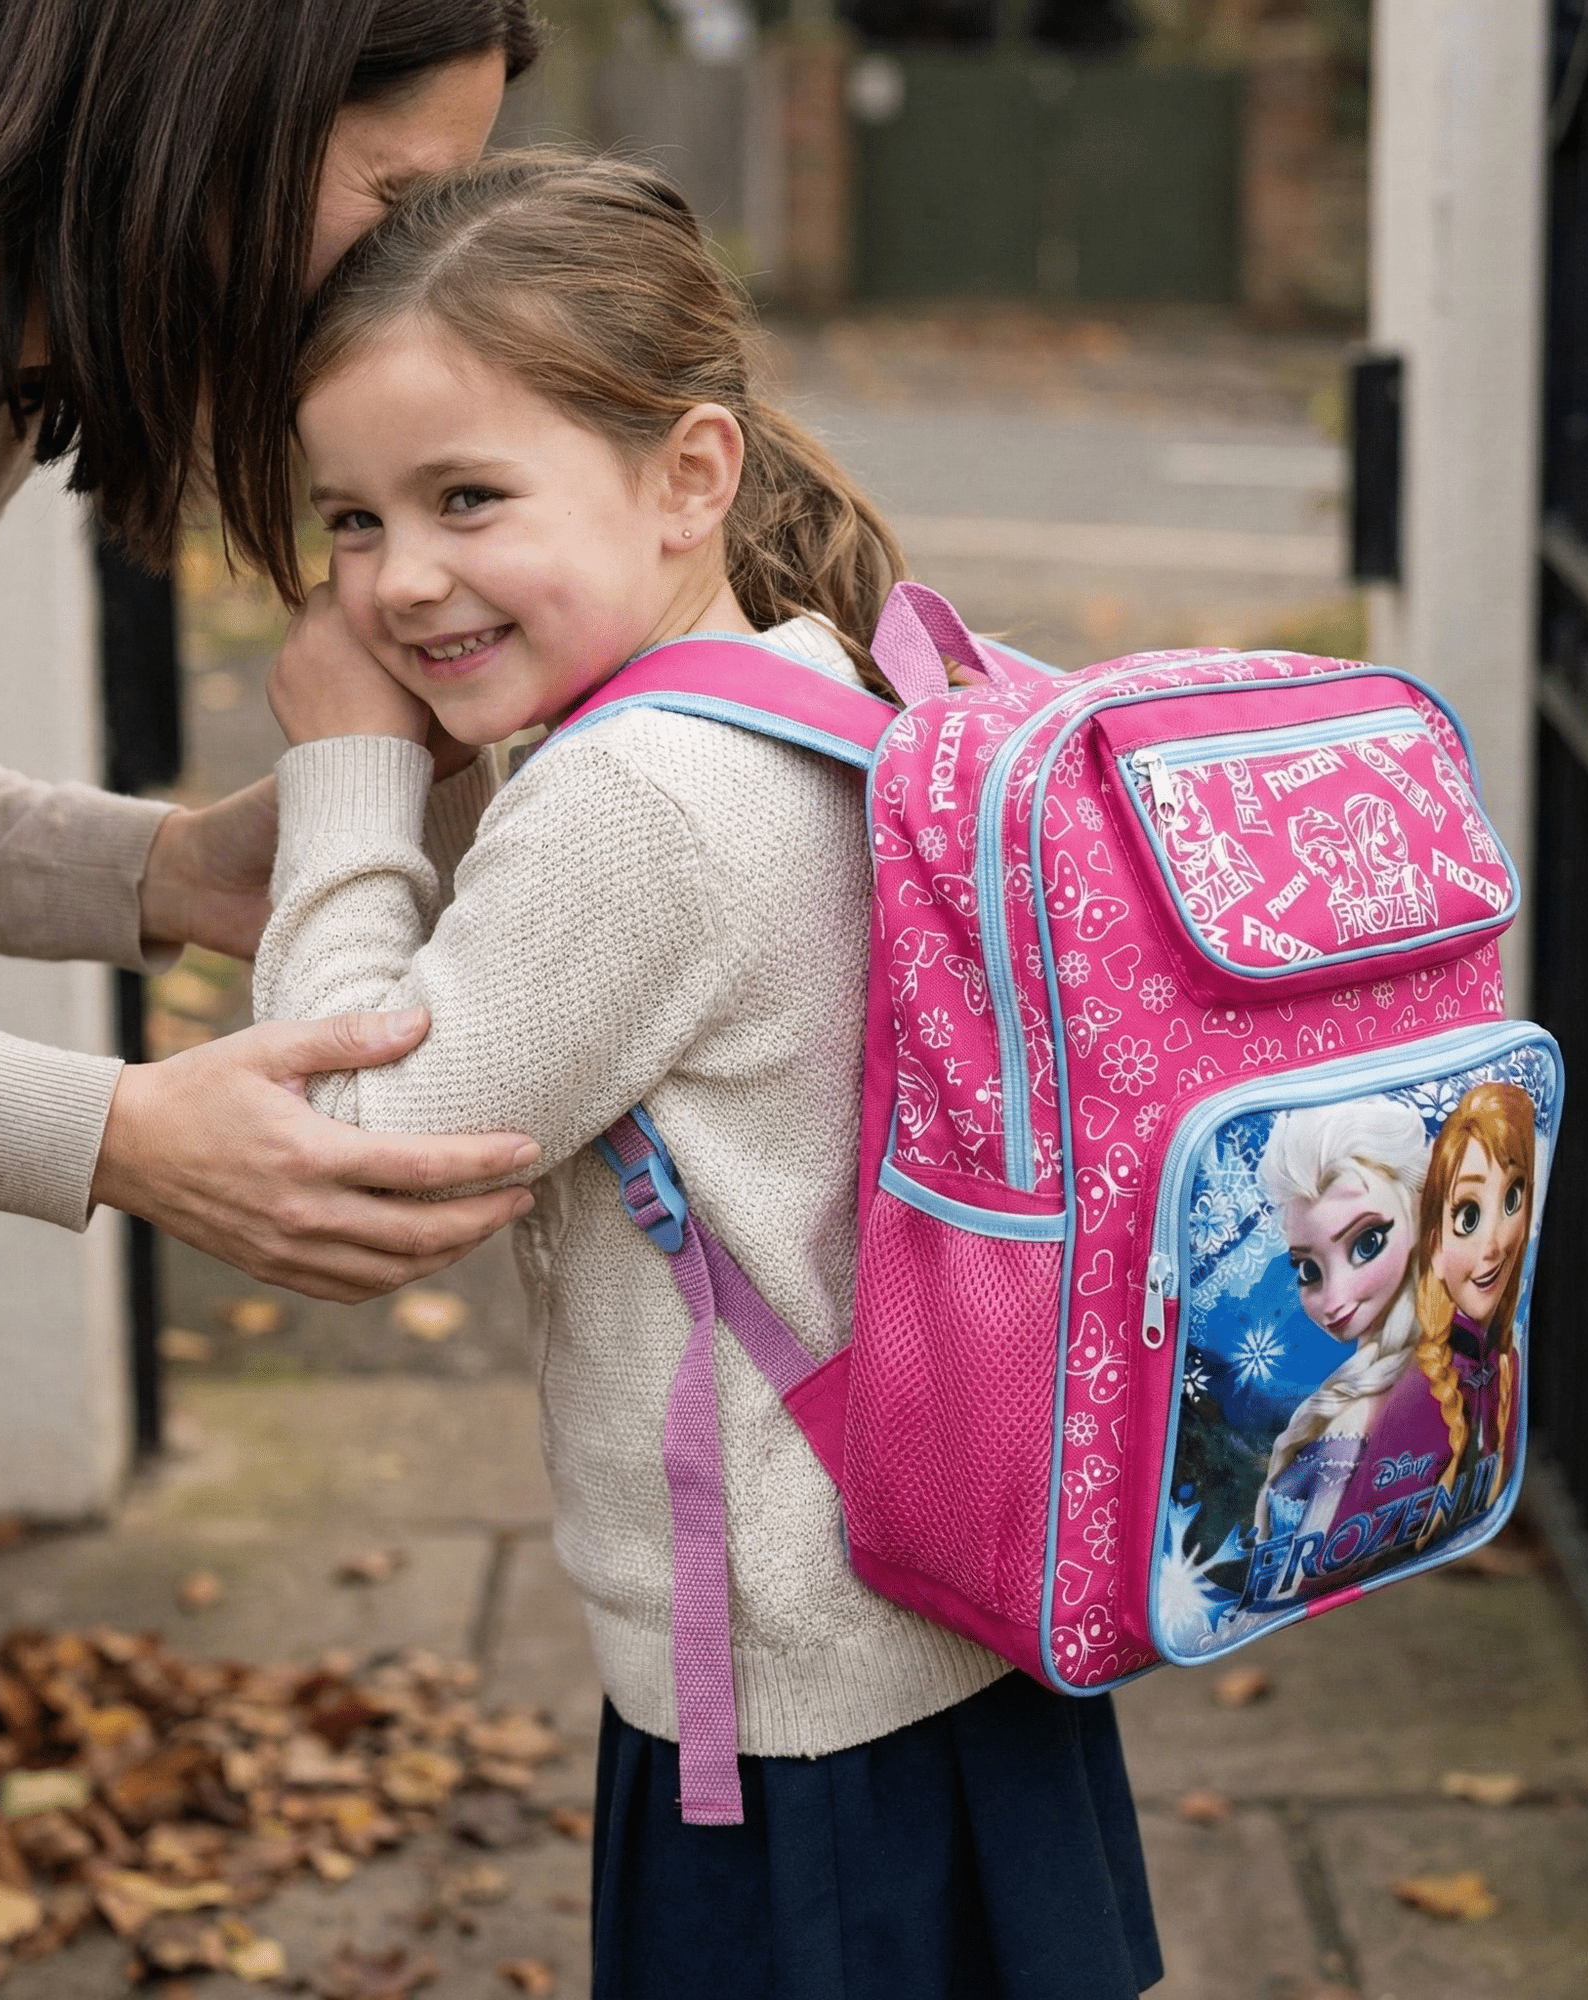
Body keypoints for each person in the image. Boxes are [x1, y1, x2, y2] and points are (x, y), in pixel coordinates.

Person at [252, 151, 1162, 1999]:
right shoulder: (831, 680)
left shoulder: (635, 805)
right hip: (956, 1617)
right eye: (349, 521)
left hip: (795, 1704)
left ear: (689, 477)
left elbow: (347, 1149)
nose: (396, 585)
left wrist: (344, 777)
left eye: (467, 497)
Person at [0, 0, 546, 1300]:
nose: (399, 275)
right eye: (395, 197)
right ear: (218, 97)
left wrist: (180, 873)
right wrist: (111, 1132)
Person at [1251, 1095, 1429, 1554]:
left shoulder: (1354, 1417)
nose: (1333, 1300)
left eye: (1367, 1243)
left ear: (1418, 1209)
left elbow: (1304, 1571)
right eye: (1308, 1271)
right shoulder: (1424, 1371)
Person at [1409, 1081, 1536, 1530]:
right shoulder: (1417, 1389)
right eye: (1468, 1216)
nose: (1496, 1244)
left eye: (1513, 1198)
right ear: (1434, 1248)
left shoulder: (1504, 1362)